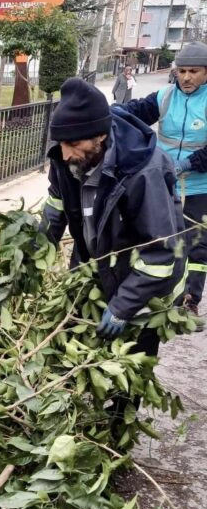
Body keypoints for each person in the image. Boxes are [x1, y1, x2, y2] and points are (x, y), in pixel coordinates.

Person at [42, 78, 186, 356]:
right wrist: (33, 253)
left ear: (100, 136)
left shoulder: (143, 172)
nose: (65, 152)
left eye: (73, 143)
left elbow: (161, 253)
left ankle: (124, 401)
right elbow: (55, 208)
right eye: (61, 142)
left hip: (146, 289)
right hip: (99, 267)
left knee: (129, 367)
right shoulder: (67, 160)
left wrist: (123, 307)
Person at [113, 41, 207, 316]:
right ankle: (161, 293)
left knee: (197, 245)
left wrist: (189, 163)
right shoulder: (165, 97)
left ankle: (190, 298)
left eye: (194, 71)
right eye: (182, 71)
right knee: (162, 238)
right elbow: (136, 110)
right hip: (166, 183)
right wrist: (112, 111)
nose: (186, 77)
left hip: (201, 186)